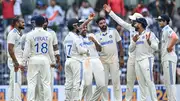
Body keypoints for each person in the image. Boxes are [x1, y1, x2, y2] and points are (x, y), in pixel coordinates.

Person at [103, 4, 146, 101]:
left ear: (139, 21)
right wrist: (110, 12)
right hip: (131, 58)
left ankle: (143, 99)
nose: (131, 21)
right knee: (129, 81)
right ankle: (127, 99)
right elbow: (120, 21)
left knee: (143, 82)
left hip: (142, 59)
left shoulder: (146, 32)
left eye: (133, 20)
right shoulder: (131, 27)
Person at [20, 15, 55, 101]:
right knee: (46, 83)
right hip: (44, 60)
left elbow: (26, 50)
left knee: (31, 83)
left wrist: (23, 63)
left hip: (33, 59)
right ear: (43, 23)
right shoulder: (48, 34)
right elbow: (51, 50)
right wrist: (53, 61)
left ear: (35, 23)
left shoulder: (30, 35)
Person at [129, 18, 159, 101]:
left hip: (147, 59)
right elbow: (130, 49)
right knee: (141, 84)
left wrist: (149, 41)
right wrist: (134, 41)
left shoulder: (150, 34)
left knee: (149, 82)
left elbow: (156, 47)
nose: (135, 24)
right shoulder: (136, 36)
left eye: (136, 23)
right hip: (137, 61)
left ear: (140, 24)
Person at [95, 17, 124, 101]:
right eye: (101, 23)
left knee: (116, 82)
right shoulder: (96, 35)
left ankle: (118, 99)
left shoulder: (113, 31)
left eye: (104, 22)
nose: (103, 24)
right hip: (103, 61)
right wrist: (94, 41)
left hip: (114, 60)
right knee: (104, 84)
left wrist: (121, 58)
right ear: (98, 25)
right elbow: (98, 49)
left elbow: (120, 44)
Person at [63, 18, 90, 101]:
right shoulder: (76, 38)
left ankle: (67, 99)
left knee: (68, 82)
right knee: (77, 82)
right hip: (76, 61)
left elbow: (64, 49)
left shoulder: (67, 37)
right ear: (74, 26)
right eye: (78, 25)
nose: (80, 27)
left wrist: (88, 20)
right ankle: (75, 99)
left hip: (68, 60)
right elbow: (81, 50)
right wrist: (87, 51)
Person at [78, 19, 105, 101]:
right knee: (87, 84)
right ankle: (78, 99)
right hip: (85, 60)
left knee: (101, 84)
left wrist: (94, 41)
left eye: (86, 27)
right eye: (83, 27)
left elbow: (100, 49)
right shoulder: (77, 37)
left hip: (96, 59)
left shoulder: (92, 35)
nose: (85, 28)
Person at [156, 14, 178, 101]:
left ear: (165, 21)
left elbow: (175, 37)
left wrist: (170, 46)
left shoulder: (168, 29)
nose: (159, 22)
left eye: (160, 21)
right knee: (168, 82)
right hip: (166, 59)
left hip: (169, 58)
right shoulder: (164, 30)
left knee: (171, 82)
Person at [7, 16, 25, 101]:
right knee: (17, 83)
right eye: (22, 22)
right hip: (15, 62)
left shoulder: (18, 33)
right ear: (17, 23)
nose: (24, 24)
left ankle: (10, 99)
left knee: (12, 83)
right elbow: (10, 49)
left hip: (16, 60)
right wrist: (16, 62)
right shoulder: (13, 33)